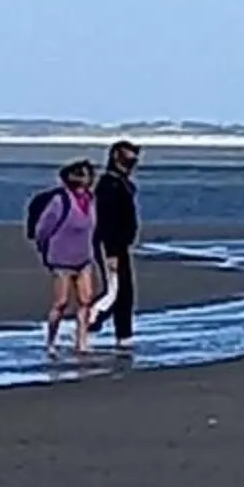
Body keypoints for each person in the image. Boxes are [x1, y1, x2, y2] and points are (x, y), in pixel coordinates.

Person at [31, 158, 101, 360]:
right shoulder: (59, 202)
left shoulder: (90, 199)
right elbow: (42, 230)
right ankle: (51, 341)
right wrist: (44, 250)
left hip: (84, 257)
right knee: (61, 303)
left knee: (85, 300)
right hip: (61, 259)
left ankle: (82, 342)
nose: (87, 183)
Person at [93, 140, 142, 343]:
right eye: (127, 159)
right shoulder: (109, 185)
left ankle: (124, 336)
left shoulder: (122, 184)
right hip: (110, 246)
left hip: (121, 245)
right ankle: (90, 319)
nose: (131, 165)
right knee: (115, 291)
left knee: (125, 293)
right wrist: (111, 251)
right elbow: (106, 220)